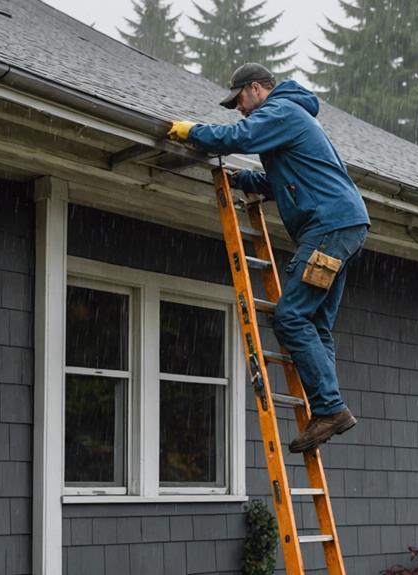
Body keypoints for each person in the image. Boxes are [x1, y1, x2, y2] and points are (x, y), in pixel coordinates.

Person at [167, 63, 370, 453]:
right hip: (344, 226)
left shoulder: (280, 111)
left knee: (291, 317)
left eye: (240, 99)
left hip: (328, 228)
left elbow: (239, 137)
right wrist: (244, 180)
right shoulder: (292, 119)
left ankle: (330, 409)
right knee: (316, 324)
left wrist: (193, 131)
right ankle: (325, 410)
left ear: (257, 89)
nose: (239, 108)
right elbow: (284, 180)